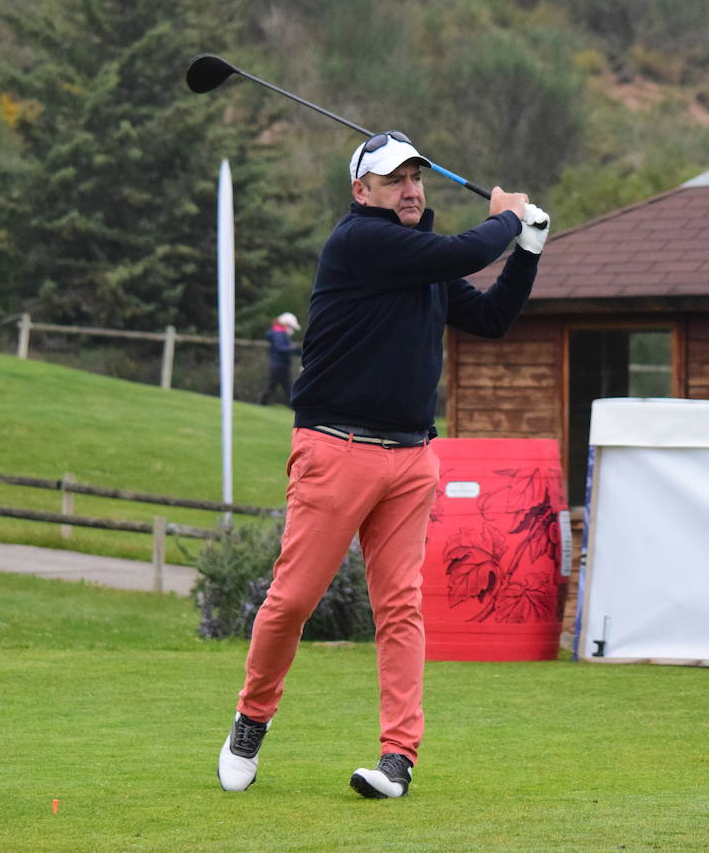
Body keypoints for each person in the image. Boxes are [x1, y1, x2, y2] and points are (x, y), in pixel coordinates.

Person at [217, 130, 549, 798]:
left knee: (400, 609)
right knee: (292, 601)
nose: (411, 189)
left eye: (416, 178)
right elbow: (468, 246)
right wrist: (511, 218)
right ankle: (252, 718)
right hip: (335, 451)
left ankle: (398, 757)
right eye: (395, 179)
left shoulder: (424, 270)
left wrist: (529, 251)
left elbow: (489, 318)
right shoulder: (358, 243)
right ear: (361, 190)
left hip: (410, 458)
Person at [257, 312, 302, 406]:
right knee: (274, 387)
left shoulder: (280, 333)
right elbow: (280, 347)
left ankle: (292, 406)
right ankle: (262, 404)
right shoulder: (279, 334)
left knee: (286, 387)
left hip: (281, 364)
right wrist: (294, 349)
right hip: (278, 364)